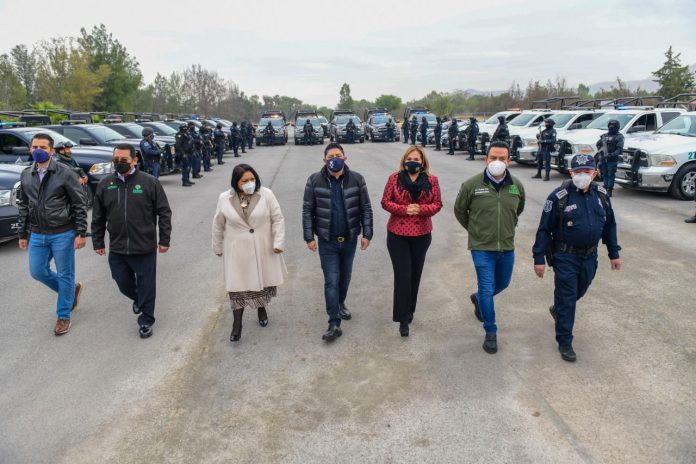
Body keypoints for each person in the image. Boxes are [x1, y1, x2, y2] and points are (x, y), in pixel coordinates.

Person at [532, 154, 621, 362]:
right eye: (577, 172)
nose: (582, 176)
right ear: (570, 173)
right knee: (568, 297)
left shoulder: (601, 195)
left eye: (587, 172)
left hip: (590, 256)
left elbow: (610, 225)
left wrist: (614, 253)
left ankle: (559, 309)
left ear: (595, 173)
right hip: (565, 256)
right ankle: (565, 341)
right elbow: (544, 230)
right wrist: (538, 258)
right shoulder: (559, 197)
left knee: (578, 291)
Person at [91, 144, 172, 339]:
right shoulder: (105, 184)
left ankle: (146, 320)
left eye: (123, 160)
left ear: (135, 160)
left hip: (144, 246)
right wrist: (98, 241)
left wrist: (164, 239)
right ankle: (138, 298)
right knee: (121, 281)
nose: (119, 164)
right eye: (115, 160)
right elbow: (98, 216)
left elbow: (164, 212)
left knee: (147, 284)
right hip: (118, 246)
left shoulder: (149, 182)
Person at [454, 141, 526, 354]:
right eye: (493, 158)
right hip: (481, 248)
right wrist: (475, 231)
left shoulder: (516, 185)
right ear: (486, 159)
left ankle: (477, 299)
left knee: (502, 284)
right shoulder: (471, 185)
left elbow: (518, 210)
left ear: (509, 161)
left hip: (506, 246)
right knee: (487, 288)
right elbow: (460, 211)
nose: (497, 162)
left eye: (502, 158)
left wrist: (506, 228)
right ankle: (491, 331)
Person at [16, 133, 88, 336]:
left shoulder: (64, 172)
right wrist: (22, 233)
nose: (38, 150)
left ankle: (63, 316)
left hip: (63, 232)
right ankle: (70, 291)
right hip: (38, 233)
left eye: (43, 147)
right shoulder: (26, 174)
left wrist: (81, 232)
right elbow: (24, 205)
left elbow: (79, 204)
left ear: (51, 151)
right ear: (30, 149)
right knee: (37, 271)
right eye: (34, 146)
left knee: (65, 274)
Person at [302, 142, 373, 342]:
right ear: (324, 160)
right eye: (331, 156)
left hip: (349, 239)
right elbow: (308, 209)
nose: (335, 158)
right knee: (331, 280)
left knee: (345, 277)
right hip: (327, 241)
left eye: (338, 155)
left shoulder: (357, 179)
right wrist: (309, 236)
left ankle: (340, 303)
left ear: (344, 158)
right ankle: (334, 323)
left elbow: (366, 208)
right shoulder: (314, 180)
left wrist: (367, 233)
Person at [212, 164, 287, 342]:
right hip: (237, 251)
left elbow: (278, 218)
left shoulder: (266, 194)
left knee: (260, 283)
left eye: (252, 179)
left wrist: (278, 242)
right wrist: (217, 246)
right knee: (237, 288)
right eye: (245, 180)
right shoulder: (224, 198)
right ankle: (237, 325)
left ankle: (261, 309)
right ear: (236, 182)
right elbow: (218, 224)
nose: (249, 183)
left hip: (262, 247)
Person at [381, 146, 442, 336]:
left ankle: (410, 310)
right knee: (403, 276)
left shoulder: (432, 180)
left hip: (422, 235)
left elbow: (437, 204)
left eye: (416, 158)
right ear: (404, 160)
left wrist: (421, 210)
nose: (413, 162)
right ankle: (403, 319)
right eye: (410, 158)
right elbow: (385, 201)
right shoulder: (394, 178)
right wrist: (405, 209)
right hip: (398, 235)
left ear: (422, 162)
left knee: (415, 275)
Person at [596, 119, 624, 197]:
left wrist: (612, 154)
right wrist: (601, 152)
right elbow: (598, 144)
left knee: (610, 174)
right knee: (604, 174)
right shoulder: (604, 136)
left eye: (613, 126)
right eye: (610, 126)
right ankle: (605, 187)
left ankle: (609, 190)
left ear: (617, 127)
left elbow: (619, 149)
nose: (611, 128)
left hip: (612, 159)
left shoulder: (619, 137)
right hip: (604, 158)